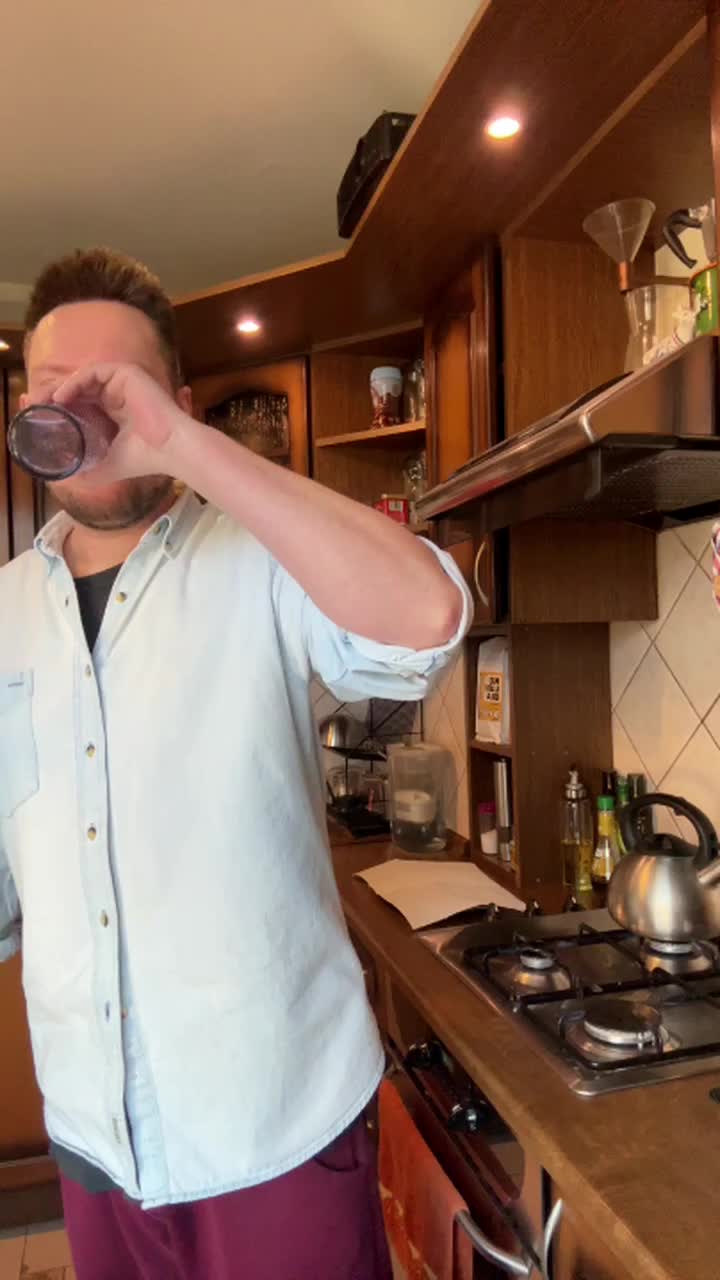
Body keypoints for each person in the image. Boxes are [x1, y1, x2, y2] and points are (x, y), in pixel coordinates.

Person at [0, 248, 470, 1280]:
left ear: (176, 404)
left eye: (116, 389)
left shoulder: (264, 557)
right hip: (94, 1139)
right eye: (53, 389)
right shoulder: (4, 614)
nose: (82, 412)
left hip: (276, 1126)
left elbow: (429, 621)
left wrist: (186, 452)